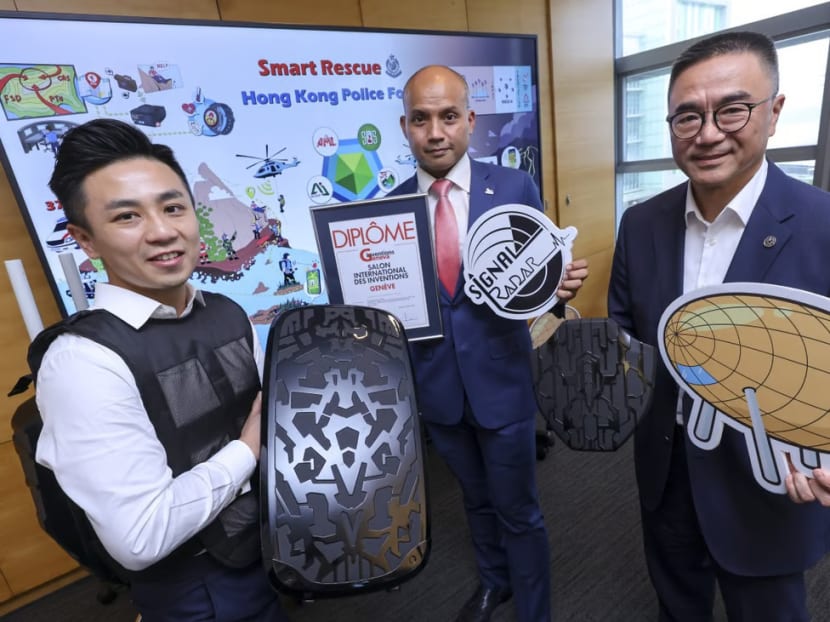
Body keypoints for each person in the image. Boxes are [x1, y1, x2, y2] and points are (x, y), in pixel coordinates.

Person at [608, 31, 830, 621]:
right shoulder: (640, 224)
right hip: (666, 468)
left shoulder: (822, 225)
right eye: (687, 116)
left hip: (771, 483)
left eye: (732, 109)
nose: (707, 133)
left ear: (775, 112)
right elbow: (625, 341)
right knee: (676, 606)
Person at [31, 118, 288, 622]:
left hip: (264, 548)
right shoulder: (82, 362)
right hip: (195, 591)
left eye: (173, 207)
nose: (163, 231)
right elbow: (140, 537)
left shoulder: (226, 311)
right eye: (127, 217)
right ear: (86, 240)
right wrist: (247, 449)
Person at [390, 65, 589, 622]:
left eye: (449, 117)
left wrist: (558, 287)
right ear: (404, 126)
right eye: (421, 119)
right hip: (438, 388)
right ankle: (494, 583)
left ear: (470, 121)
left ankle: (533, 609)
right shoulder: (389, 210)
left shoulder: (515, 188)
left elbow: (540, 281)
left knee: (519, 510)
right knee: (475, 501)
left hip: (502, 383)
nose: (436, 132)